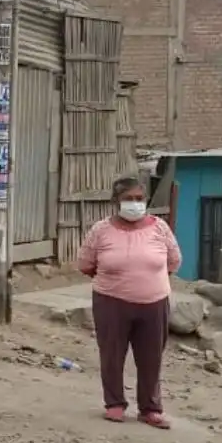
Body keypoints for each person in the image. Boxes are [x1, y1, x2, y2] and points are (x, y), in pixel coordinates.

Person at [76, 175, 181, 429]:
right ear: (116, 201)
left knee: (151, 358)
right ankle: (114, 404)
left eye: (139, 198)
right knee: (112, 354)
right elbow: (85, 264)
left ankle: (150, 408)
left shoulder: (160, 228)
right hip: (111, 302)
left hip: (154, 303)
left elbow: (173, 261)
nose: (134, 203)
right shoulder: (101, 230)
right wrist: (117, 279)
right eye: (128, 199)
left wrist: (147, 280)